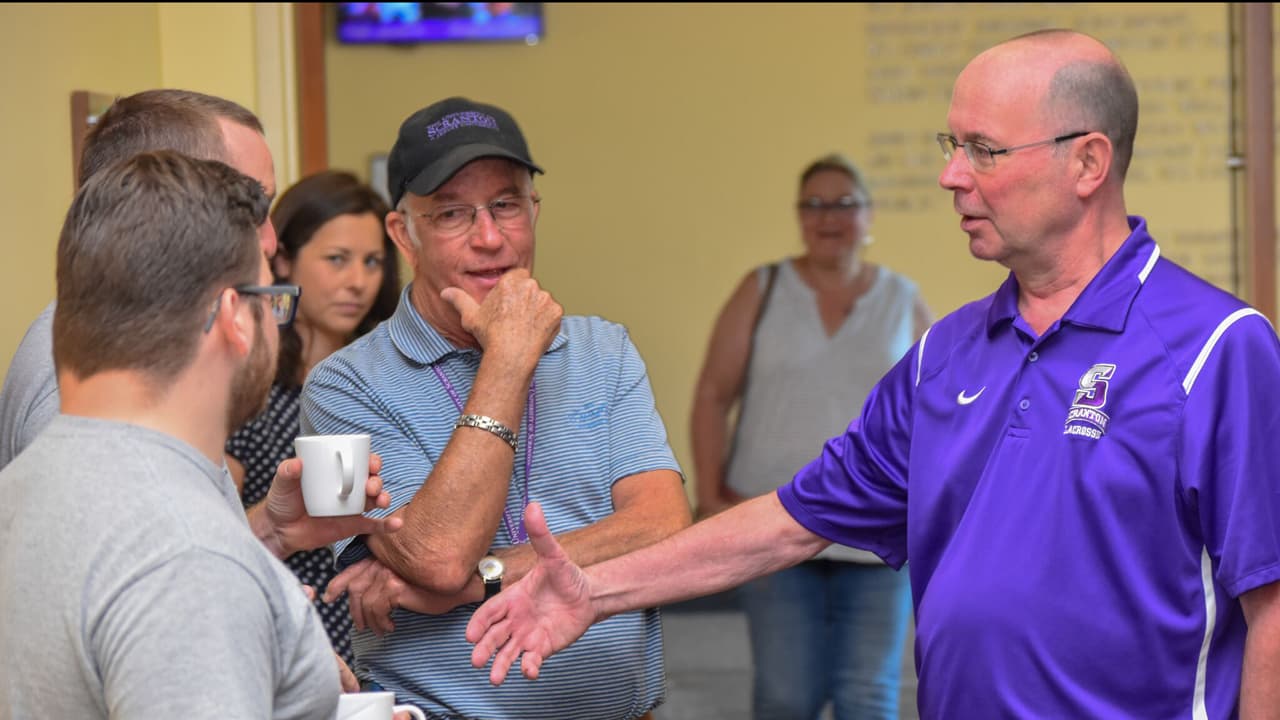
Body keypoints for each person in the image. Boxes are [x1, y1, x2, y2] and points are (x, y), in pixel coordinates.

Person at [466, 29, 1280, 718]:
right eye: (950, 145)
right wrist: (596, 590)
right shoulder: (945, 356)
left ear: (1088, 162)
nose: (951, 175)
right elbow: (788, 522)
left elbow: (1270, 606)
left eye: (984, 151)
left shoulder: (1216, 347)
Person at [303, 96, 692, 720]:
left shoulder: (606, 350)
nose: (490, 238)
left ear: (533, 211)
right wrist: (507, 358)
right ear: (405, 234)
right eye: (453, 213)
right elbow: (435, 555)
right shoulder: (338, 389)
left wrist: (479, 579)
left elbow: (665, 527)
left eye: (507, 205)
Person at [0, 151, 389, 717]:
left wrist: (266, 538)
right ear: (235, 316)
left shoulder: (22, 488)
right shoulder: (191, 561)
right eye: (271, 300)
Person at [0, 89, 398, 564]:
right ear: (168, 196)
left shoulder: (124, 340)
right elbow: (128, 592)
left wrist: (271, 531)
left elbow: (169, 562)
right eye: (252, 204)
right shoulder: (82, 379)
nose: (271, 240)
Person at [690, 153, 930, 719]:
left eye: (845, 204)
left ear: (869, 217)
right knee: (785, 695)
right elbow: (711, 396)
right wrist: (709, 494)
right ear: (799, 216)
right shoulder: (763, 287)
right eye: (815, 204)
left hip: (876, 532)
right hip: (771, 521)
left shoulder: (903, 299)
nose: (830, 217)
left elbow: (939, 411)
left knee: (867, 696)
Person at [227, 169, 401, 666]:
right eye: (337, 260)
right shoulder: (251, 384)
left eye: (372, 262)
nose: (358, 282)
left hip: (387, 639)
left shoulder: (382, 381)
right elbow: (209, 528)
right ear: (282, 258)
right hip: (285, 636)